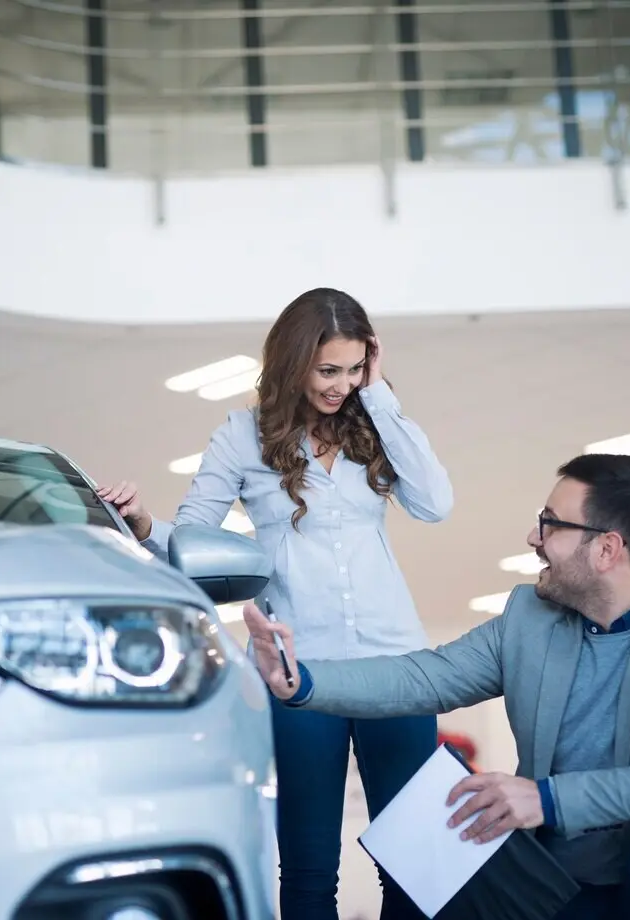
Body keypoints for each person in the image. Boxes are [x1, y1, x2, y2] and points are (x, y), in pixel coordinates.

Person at [240, 454, 630, 920]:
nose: (532, 538)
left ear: (607, 549)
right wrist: (301, 681)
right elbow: (425, 675)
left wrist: (544, 798)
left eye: (550, 524)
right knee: (445, 831)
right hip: (555, 881)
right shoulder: (531, 617)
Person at [98, 287, 453, 920]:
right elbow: (195, 538)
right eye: (327, 370)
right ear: (293, 363)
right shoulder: (242, 435)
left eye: (353, 369)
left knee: (416, 861)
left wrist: (380, 396)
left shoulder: (374, 422)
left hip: (396, 665)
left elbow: (434, 503)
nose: (340, 385)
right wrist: (144, 521)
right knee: (310, 868)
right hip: (300, 672)